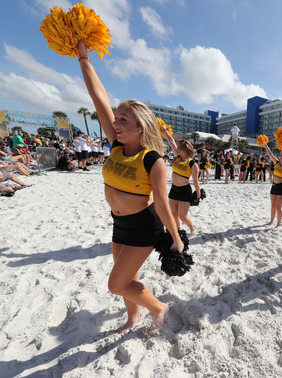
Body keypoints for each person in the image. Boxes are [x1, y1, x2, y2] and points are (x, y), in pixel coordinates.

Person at [77, 40, 184, 335]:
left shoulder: (152, 160)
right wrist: (84, 58)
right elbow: (99, 98)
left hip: (143, 228)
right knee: (129, 277)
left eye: (123, 119)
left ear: (140, 127)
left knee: (116, 283)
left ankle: (159, 307)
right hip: (119, 223)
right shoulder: (116, 145)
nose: (115, 121)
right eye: (116, 118)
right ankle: (133, 316)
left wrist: (176, 238)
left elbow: (162, 204)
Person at [161, 127, 201, 236]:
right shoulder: (178, 157)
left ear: (184, 149)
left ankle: (192, 229)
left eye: (179, 147)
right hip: (174, 189)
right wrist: (165, 131)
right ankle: (177, 232)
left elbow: (196, 182)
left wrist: (198, 195)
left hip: (184, 191)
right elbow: (171, 141)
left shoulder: (193, 164)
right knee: (173, 214)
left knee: (182, 216)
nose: (176, 148)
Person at [264, 144, 282, 228]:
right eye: (280, 154)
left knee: (278, 207)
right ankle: (271, 221)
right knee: (273, 206)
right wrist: (265, 145)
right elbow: (270, 154)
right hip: (274, 186)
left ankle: (278, 224)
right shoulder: (277, 162)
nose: (281, 156)